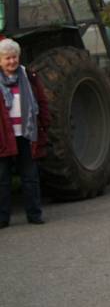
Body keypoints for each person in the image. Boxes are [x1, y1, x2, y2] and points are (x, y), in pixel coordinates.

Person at [0, 38, 50, 228]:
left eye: (14, 57)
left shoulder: (29, 77)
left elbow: (41, 101)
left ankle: (34, 214)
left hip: (27, 135)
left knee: (30, 176)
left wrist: (45, 123)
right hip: (3, 137)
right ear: (0, 61)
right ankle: (2, 218)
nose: (12, 61)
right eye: (7, 58)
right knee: (1, 179)